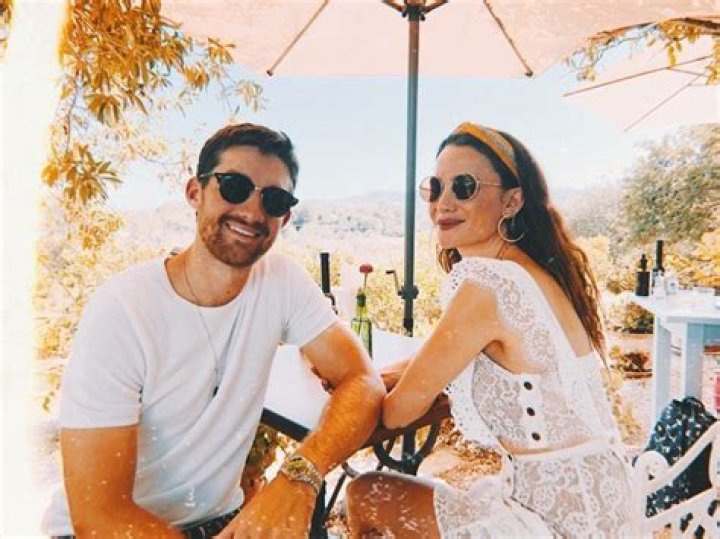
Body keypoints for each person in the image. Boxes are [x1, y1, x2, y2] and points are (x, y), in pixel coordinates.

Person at [42, 123, 385, 538]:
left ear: (285, 217)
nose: (253, 212)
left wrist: (299, 476)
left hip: (221, 521)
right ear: (195, 192)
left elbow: (362, 381)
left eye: (274, 199)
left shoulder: (281, 281)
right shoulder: (122, 310)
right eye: (234, 187)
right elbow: (99, 514)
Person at [345, 122, 635, 537]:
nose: (443, 202)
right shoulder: (534, 272)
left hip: (556, 518)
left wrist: (356, 381)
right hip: (599, 502)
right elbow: (439, 361)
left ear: (512, 201)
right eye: (435, 187)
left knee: (366, 494)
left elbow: (397, 412)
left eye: (464, 187)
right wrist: (388, 375)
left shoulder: (487, 285)